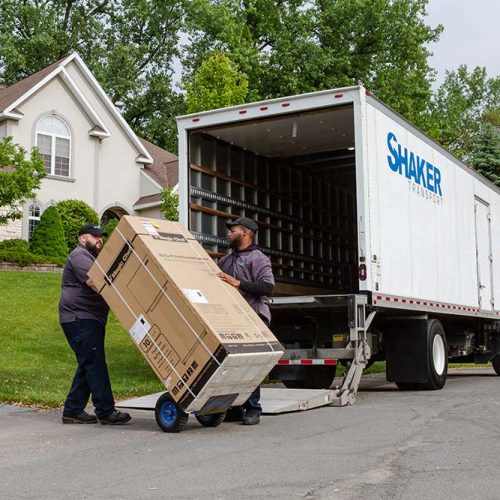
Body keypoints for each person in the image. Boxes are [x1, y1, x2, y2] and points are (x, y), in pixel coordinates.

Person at [59, 224, 131, 425]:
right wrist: (122, 298)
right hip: (79, 318)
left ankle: (72, 410)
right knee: (94, 363)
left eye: (101, 236)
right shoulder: (79, 256)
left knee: (88, 362)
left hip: (90, 318)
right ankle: (106, 411)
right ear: (83, 239)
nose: (100, 239)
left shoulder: (93, 258)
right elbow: (93, 281)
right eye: (95, 236)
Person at [217, 217, 275, 425]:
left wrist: (238, 282)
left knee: (252, 364)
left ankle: (253, 409)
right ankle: (235, 408)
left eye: (232, 230)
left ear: (245, 233)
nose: (228, 234)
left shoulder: (257, 258)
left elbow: (267, 287)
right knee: (233, 365)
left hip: (254, 316)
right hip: (233, 319)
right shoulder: (225, 261)